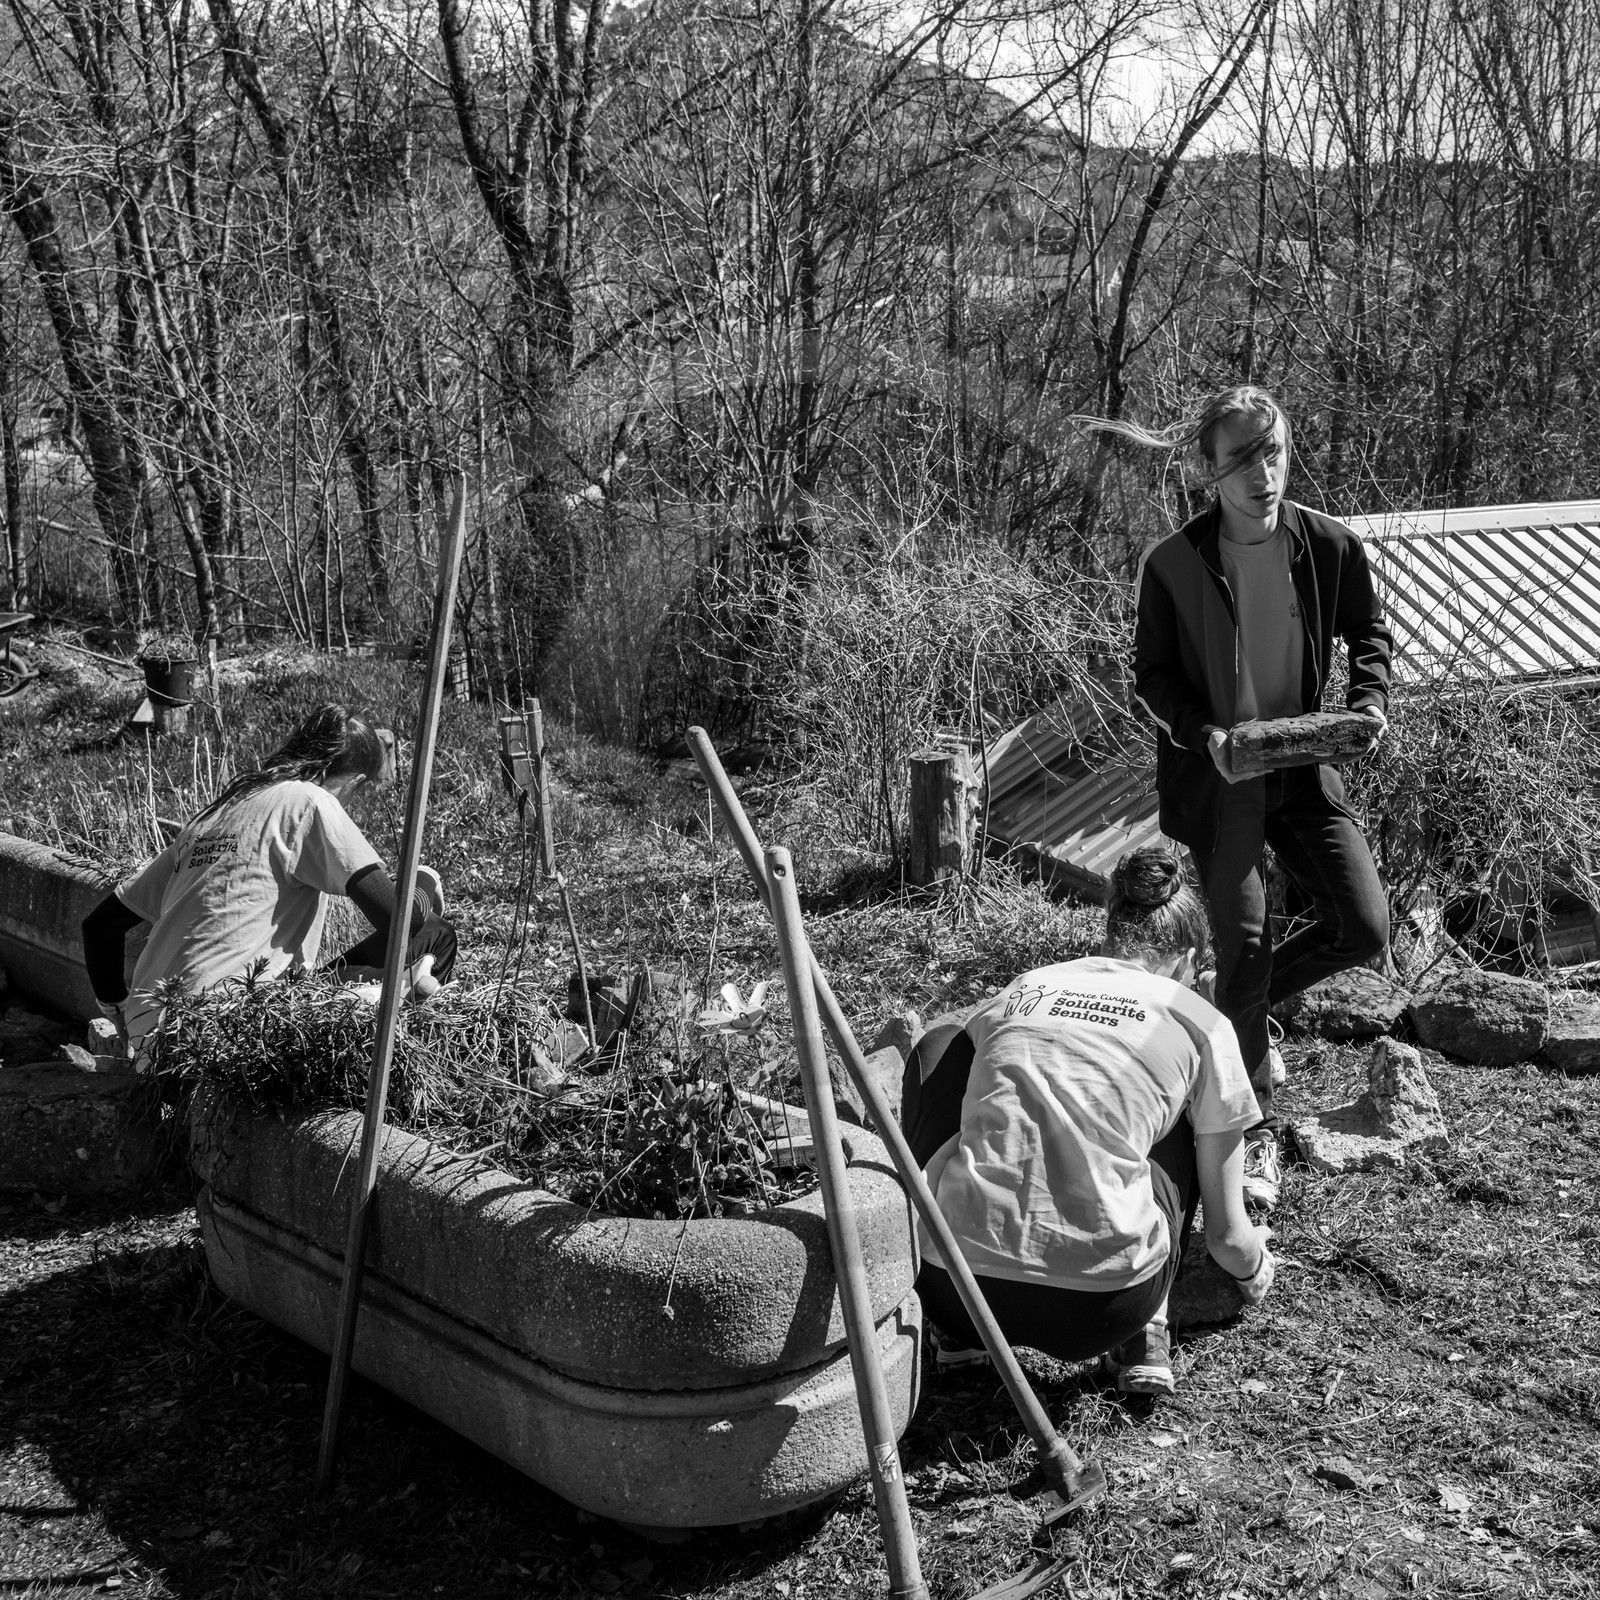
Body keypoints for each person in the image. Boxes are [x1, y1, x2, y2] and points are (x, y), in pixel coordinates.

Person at [1098, 385, 1392, 1213]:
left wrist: (1368, 700)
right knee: (1250, 940)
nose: (1265, 472)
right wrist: (1207, 737)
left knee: (1365, 925)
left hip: (1301, 767)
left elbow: (1368, 632)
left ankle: (1231, 1016)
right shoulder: (1174, 564)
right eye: (1243, 459)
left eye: (1275, 450)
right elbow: (1149, 676)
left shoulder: (1329, 545)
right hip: (1222, 778)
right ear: (1211, 474)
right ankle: (1244, 1126)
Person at [903, 847, 1274, 1395]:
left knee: (943, 1044)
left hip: (953, 1290)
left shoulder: (1028, 987)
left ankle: (958, 1332)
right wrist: (1255, 1270)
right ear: (1186, 960)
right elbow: (1225, 1238)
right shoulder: (1199, 1020)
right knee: (1185, 1109)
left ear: (1108, 937)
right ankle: (1145, 1337)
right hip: (1101, 1309)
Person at [81, 704, 457, 1062]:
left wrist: (118, 1014)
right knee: (437, 933)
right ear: (355, 780)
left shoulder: (214, 815)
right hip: (237, 1030)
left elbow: (99, 927)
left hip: (156, 1037)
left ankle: (378, 993)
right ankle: (382, 1010)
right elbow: (401, 920)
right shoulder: (311, 801)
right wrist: (425, 881)